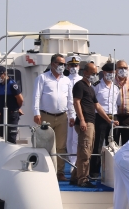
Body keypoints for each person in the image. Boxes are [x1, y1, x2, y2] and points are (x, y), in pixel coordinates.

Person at [71, 63, 117, 188]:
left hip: (92, 121)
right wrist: (81, 120)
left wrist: (109, 120)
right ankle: (83, 179)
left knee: (85, 151)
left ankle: (75, 176)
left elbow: (97, 106)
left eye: (96, 73)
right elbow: (76, 102)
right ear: (85, 72)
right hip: (85, 122)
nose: (94, 76)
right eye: (93, 73)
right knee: (85, 151)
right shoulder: (79, 85)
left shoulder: (90, 88)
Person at [32, 53, 76, 182]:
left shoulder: (67, 80)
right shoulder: (42, 78)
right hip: (46, 115)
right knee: (45, 145)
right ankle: (45, 170)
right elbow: (36, 96)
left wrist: (72, 115)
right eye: (60, 63)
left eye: (64, 64)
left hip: (63, 116)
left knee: (61, 146)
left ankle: (60, 172)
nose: (62, 66)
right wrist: (36, 113)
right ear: (52, 64)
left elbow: (70, 100)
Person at [90, 62, 119, 177]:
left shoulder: (116, 87)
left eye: (113, 73)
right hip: (100, 117)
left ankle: (111, 171)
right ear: (104, 73)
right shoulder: (96, 86)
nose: (111, 75)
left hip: (113, 117)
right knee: (97, 144)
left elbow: (118, 104)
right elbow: (93, 103)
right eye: (109, 72)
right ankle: (94, 171)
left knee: (112, 144)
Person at [0, 66, 23, 144]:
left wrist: (17, 108)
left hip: (12, 114)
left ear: (4, 74)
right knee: (2, 136)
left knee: (11, 137)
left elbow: (20, 99)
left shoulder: (12, 84)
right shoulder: (0, 85)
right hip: (3, 114)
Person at [112, 60, 129, 145]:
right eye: (120, 68)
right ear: (116, 69)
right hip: (115, 116)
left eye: (125, 68)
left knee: (128, 143)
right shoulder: (111, 82)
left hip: (128, 116)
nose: (123, 70)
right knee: (114, 142)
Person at [66, 56, 83, 166]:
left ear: (79, 66)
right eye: (71, 65)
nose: (73, 67)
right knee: (69, 138)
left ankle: (76, 162)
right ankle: (71, 160)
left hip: (79, 112)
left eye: (75, 65)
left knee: (77, 139)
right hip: (67, 112)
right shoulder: (64, 80)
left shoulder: (82, 80)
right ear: (67, 67)